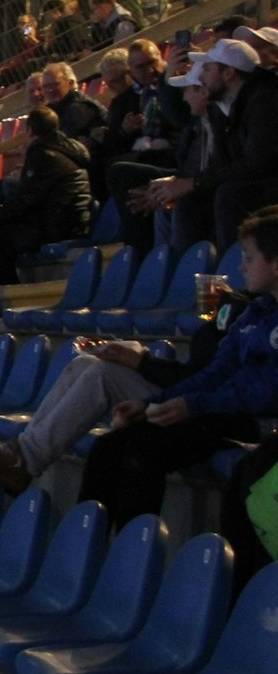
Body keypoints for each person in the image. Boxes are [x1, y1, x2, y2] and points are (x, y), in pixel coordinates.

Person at [0, 275, 262, 495]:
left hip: (214, 412)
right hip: (191, 392)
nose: (243, 267)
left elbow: (207, 381)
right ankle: (19, 451)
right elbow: (197, 372)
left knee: (102, 375)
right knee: (86, 363)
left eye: (248, 258)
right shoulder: (244, 309)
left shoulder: (253, 319)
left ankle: (24, 461)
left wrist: (141, 363)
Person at [78, 206, 278, 526]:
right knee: (108, 446)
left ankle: (132, 557)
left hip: (258, 422)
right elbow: (215, 372)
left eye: (249, 258)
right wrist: (150, 404)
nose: (241, 267)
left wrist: (193, 405)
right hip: (224, 410)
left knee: (144, 450)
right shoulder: (255, 314)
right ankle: (86, 549)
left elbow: (268, 394)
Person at [139, 38, 278, 252]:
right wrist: (181, 185)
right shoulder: (224, 110)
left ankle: (232, 273)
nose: (202, 77)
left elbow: (258, 164)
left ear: (228, 73)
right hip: (253, 182)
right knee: (189, 202)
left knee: (228, 195)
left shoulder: (264, 101)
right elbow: (221, 166)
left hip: (268, 184)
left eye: (208, 69)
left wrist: (191, 183)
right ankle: (187, 276)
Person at [0, 106, 92, 285]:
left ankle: (13, 292)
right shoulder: (68, 149)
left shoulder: (43, 153)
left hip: (57, 225)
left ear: (30, 130)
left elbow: (25, 201)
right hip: (73, 219)